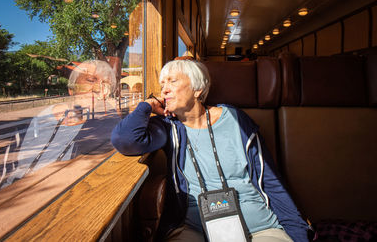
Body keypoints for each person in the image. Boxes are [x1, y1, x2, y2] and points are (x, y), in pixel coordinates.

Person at [111, 58, 309, 242]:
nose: (164, 91)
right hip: (194, 229)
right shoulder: (167, 127)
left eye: (172, 82)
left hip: (259, 227)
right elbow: (125, 140)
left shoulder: (235, 119)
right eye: (163, 84)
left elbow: (269, 179)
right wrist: (146, 105)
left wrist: (297, 231)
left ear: (198, 89)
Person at [0, 59, 120, 189]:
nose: (98, 89)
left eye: (105, 85)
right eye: (90, 80)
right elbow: (8, 174)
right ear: (71, 89)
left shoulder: (99, 127)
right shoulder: (35, 124)